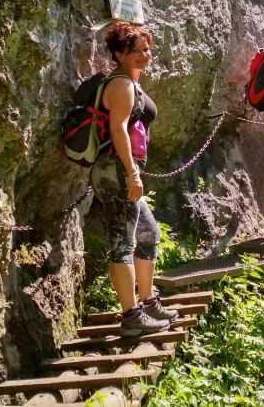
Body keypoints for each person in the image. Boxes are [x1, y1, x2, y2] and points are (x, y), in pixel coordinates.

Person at [90, 22, 179, 336]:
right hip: (115, 169)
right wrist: (131, 173)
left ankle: (148, 302)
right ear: (119, 54)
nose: (145, 55)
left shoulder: (130, 81)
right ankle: (131, 317)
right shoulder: (121, 85)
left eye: (146, 49)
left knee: (148, 234)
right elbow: (118, 130)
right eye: (136, 51)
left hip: (122, 168)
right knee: (123, 243)